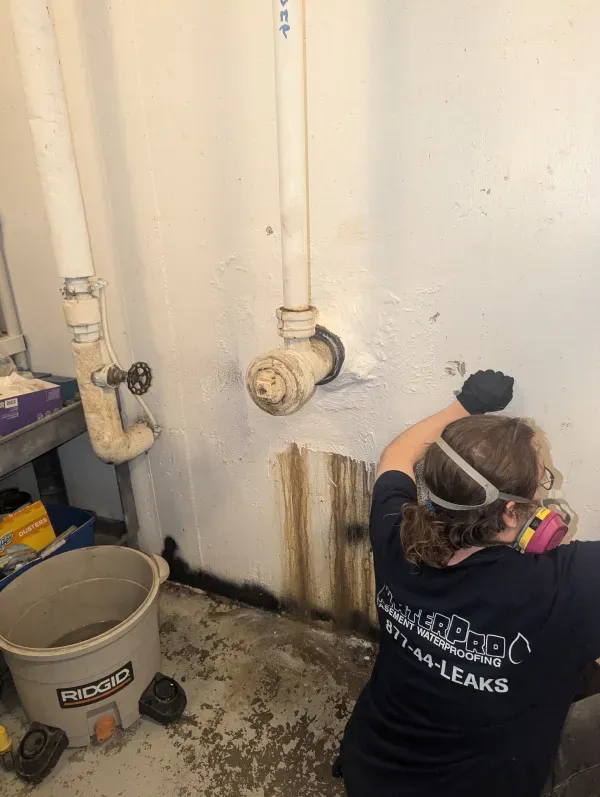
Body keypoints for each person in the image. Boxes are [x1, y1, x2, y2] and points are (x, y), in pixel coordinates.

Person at [338, 369, 600, 797]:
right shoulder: (566, 588)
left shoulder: (397, 536)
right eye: (542, 484)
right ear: (513, 514)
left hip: (371, 771)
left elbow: (396, 456)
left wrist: (466, 404)